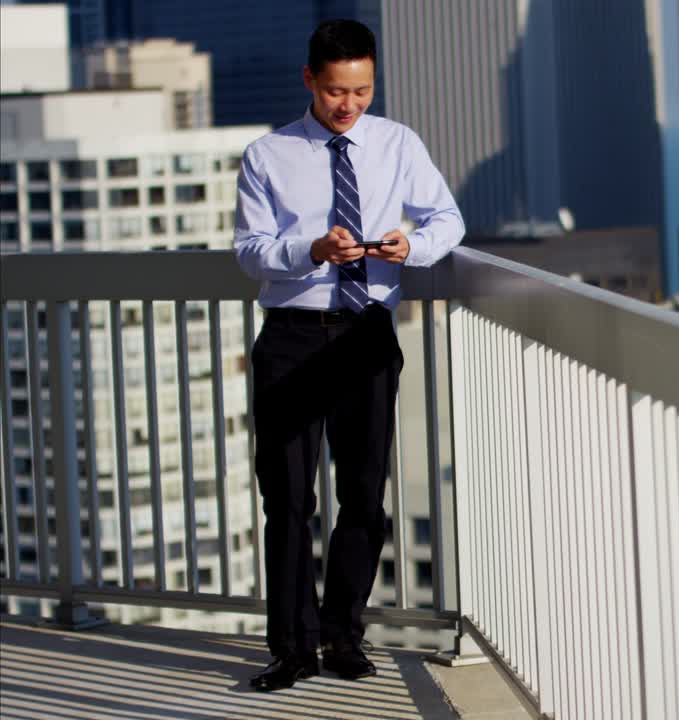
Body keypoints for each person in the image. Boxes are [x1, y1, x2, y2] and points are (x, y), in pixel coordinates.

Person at [232, 18, 464, 692]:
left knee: (363, 497)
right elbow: (248, 251)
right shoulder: (268, 154)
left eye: (361, 91)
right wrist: (312, 251)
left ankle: (342, 636)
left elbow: (447, 219)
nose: (349, 105)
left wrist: (409, 247)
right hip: (293, 338)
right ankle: (292, 648)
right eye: (337, 92)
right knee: (288, 500)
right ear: (310, 80)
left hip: (366, 334)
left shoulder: (398, 144)